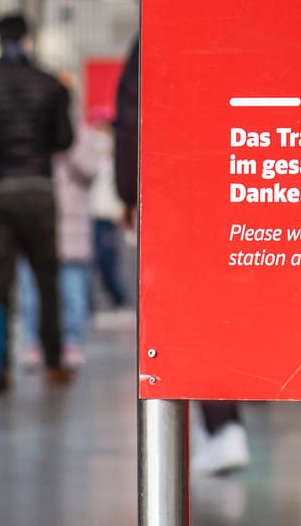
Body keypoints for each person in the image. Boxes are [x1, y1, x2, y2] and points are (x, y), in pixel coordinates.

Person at [113, 34, 248, 475]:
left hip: (176, 187)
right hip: (240, 175)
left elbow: (131, 112)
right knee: (218, 306)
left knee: (184, 314)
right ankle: (223, 425)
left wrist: (128, 191)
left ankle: (219, 428)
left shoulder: (156, 28)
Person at [0, 12, 76, 385]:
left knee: (0, 282)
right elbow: (65, 140)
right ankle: (54, 362)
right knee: (46, 279)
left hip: (0, 193)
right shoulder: (52, 86)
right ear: (28, 38)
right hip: (39, 191)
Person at [16, 104, 108, 369]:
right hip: (35, 223)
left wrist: (67, 149)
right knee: (31, 292)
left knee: (73, 292)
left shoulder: (81, 136)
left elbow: (91, 171)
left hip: (72, 227)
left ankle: (72, 342)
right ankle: (33, 342)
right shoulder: (32, 133)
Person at [83, 106, 129, 309]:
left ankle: (115, 297)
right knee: (100, 258)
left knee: (103, 259)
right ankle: (107, 298)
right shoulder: (105, 148)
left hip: (100, 211)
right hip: (99, 210)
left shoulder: (109, 150)